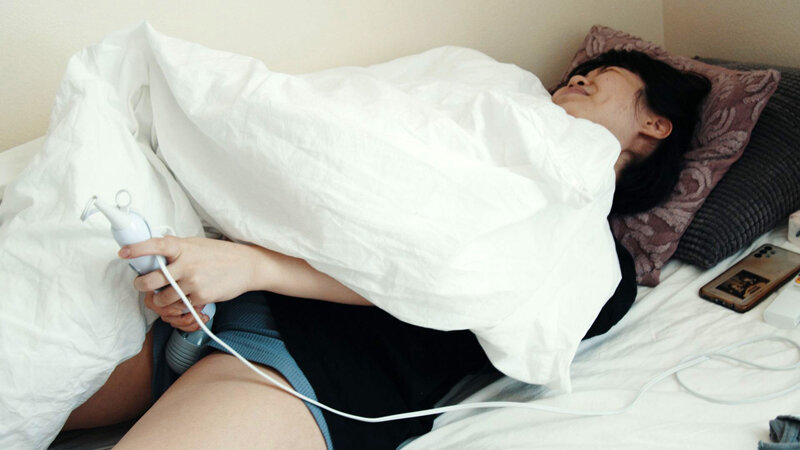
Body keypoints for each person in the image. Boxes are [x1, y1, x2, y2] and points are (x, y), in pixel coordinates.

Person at [60, 50, 710, 449]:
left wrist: (253, 267)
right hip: (205, 304)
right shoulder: (473, 124)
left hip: (304, 368)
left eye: (604, 76)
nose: (580, 76)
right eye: (579, 72)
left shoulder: (600, 272)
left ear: (654, 123)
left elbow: (449, 279)